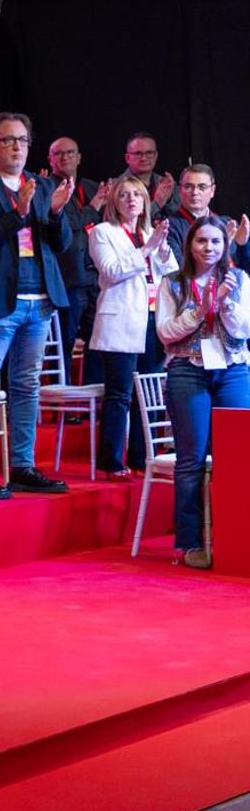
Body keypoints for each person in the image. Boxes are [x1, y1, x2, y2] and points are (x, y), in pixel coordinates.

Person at [0, 112, 75, 500]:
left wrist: (56, 213)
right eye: (8, 140)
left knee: (26, 385)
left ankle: (22, 466)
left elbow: (61, 245)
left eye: (22, 141)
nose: (16, 147)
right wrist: (16, 214)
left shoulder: (41, 186)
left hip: (39, 301)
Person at [156, 215, 249, 569]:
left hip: (233, 370)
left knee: (237, 456)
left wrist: (224, 304)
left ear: (225, 246)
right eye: (201, 242)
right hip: (188, 371)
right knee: (191, 459)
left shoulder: (239, 279)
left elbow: (244, 330)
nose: (208, 248)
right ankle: (190, 542)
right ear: (190, 246)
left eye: (215, 242)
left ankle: (236, 535)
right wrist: (201, 309)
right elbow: (165, 333)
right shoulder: (173, 284)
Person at [88, 176, 175, 481]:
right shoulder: (102, 232)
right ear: (113, 201)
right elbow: (111, 271)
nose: (131, 200)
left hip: (154, 320)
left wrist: (161, 251)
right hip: (121, 321)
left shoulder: (151, 232)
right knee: (120, 394)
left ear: (145, 201)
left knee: (149, 394)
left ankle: (143, 457)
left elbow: (172, 275)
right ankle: (112, 462)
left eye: (136, 194)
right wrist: (146, 250)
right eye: (123, 195)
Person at [44, 137, 105, 382]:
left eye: (70, 153)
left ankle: (91, 394)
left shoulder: (91, 187)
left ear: (79, 157)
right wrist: (94, 206)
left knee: (97, 340)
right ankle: (63, 398)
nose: (65, 158)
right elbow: (69, 226)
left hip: (96, 275)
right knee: (65, 340)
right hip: (68, 277)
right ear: (50, 159)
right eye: (58, 154)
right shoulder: (48, 188)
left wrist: (95, 205)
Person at [163, 164, 250, 268]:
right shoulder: (169, 227)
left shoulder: (226, 223)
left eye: (202, 187)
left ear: (212, 191)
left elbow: (246, 267)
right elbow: (180, 270)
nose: (195, 192)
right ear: (180, 190)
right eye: (188, 187)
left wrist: (242, 245)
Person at [117, 132, 179, 221]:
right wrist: (157, 204)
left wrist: (168, 201)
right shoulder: (116, 187)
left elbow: (179, 219)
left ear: (156, 156)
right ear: (127, 158)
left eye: (149, 153)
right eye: (138, 153)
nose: (144, 158)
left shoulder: (166, 184)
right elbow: (126, 221)